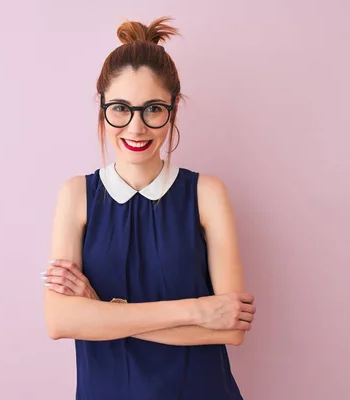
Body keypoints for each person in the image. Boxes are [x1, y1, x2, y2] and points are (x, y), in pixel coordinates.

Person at [42, 16, 256, 400]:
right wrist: (197, 311)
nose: (136, 128)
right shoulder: (76, 195)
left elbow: (230, 328)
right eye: (120, 108)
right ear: (103, 107)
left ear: (173, 109)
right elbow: (59, 321)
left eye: (153, 109)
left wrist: (102, 312)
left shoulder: (207, 193)